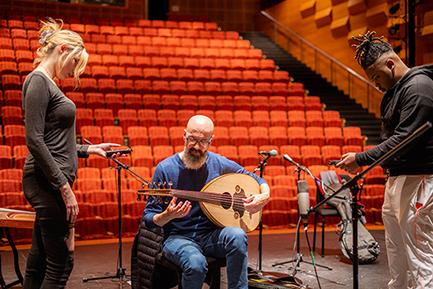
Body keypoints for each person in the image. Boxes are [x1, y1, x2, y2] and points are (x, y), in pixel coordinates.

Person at [22, 18, 120, 289]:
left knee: (40, 258)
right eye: (75, 62)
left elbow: (54, 141)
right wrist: (64, 187)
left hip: (49, 181)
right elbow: (34, 140)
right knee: (61, 263)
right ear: (62, 49)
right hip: (46, 183)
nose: (75, 70)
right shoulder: (38, 81)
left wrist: (90, 149)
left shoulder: (47, 83)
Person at [337, 31, 433, 289]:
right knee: (397, 248)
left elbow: (404, 139)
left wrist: (361, 158)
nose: (376, 84)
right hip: (399, 178)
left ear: (390, 64)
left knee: (419, 252)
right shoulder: (396, 91)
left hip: (420, 179)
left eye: (377, 76)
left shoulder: (419, 87)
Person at [143, 115, 270, 289]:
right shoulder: (165, 169)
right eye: (192, 139)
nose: (196, 146)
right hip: (177, 238)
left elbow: (255, 179)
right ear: (184, 136)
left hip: (211, 236)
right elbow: (149, 218)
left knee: (238, 236)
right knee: (196, 264)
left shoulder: (219, 163)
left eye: (203, 141)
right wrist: (166, 215)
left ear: (211, 140)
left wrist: (264, 195)